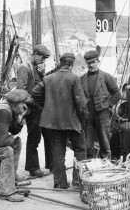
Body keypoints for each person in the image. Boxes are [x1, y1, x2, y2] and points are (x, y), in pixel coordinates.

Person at [32, 53, 88, 189]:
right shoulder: (74, 78)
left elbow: (34, 93)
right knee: (80, 149)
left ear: (61, 63)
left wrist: (45, 106)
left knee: (58, 151)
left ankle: (59, 182)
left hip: (53, 122)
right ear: (72, 64)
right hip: (71, 121)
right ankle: (78, 182)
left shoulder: (48, 78)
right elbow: (81, 103)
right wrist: (83, 119)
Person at [16, 44, 52, 178]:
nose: (43, 61)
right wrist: (34, 104)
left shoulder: (38, 69)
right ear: (35, 55)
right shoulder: (24, 68)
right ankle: (33, 168)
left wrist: (43, 74)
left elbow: (45, 85)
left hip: (43, 108)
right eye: (42, 58)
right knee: (34, 138)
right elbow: (22, 91)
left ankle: (51, 164)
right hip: (33, 109)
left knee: (49, 136)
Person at [80, 50, 121, 159]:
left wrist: (108, 105)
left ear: (98, 61)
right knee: (88, 144)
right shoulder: (82, 79)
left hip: (103, 113)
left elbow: (117, 94)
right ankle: (90, 164)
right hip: (87, 113)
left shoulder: (107, 77)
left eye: (93, 62)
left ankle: (105, 164)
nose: (91, 65)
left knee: (104, 142)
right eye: (88, 63)